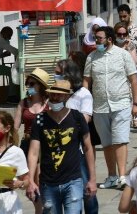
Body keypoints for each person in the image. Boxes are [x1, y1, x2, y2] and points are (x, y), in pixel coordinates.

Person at [83, 26, 137, 190]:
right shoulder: (91, 58)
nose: (97, 41)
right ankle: (112, 176)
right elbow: (86, 81)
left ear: (109, 39)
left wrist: (136, 104)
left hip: (121, 104)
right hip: (100, 107)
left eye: (99, 38)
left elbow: (134, 80)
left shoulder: (123, 55)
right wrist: (85, 103)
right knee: (107, 143)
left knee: (120, 140)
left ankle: (122, 175)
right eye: (95, 38)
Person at [27, 79, 96, 213]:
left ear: (67, 97)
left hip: (73, 181)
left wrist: (92, 179)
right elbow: (33, 152)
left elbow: (88, 148)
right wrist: (30, 180)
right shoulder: (40, 120)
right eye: (53, 94)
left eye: (59, 95)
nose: (55, 97)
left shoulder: (77, 118)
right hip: (48, 183)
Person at [56, 58, 99, 214]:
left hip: (78, 149)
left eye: (58, 74)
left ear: (69, 74)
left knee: (86, 186)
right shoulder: (58, 95)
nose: (56, 77)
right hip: (59, 150)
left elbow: (85, 120)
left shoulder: (83, 94)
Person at [14, 68, 49, 156]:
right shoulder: (23, 103)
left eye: (32, 84)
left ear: (41, 85)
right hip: (27, 143)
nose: (29, 86)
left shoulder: (50, 103)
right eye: (27, 83)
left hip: (45, 144)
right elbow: (15, 127)